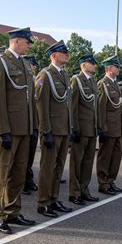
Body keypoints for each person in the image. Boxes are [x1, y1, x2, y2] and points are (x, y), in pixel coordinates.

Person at [0, 28, 37, 234]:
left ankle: (13, 210)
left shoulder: (25, 65)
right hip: (8, 129)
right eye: (27, 42)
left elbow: (29, 99)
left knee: (18, 172)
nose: (29, 46)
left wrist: (32, 126)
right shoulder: (0, 62)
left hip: (24, 128)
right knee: (1, 173)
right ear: (16, 41)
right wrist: (2, 129)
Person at [35, 40, 73, 218]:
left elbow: (67, 104)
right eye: (63, 52)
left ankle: (53, 198)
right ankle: (43, 202)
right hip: (52, 129)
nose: (67, 55)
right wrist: (45, 130)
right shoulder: (45, 75)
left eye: (66, 52)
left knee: (59, 167)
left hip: (64, 128)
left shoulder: (65, 75)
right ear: (54, 56)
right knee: (48, 167)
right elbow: (41, 105)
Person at [68, 54, 100, 205]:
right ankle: (74, 193)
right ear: (83, 65)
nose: (95, 66)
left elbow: (95, 107)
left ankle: (84, 189)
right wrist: (74, 127)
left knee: (87, 162)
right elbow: (72, 106)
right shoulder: (76, 80)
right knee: (76, 162)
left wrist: (98, 125)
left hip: (92, 128)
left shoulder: (93, 81)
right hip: (81, 128)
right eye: (92, 63)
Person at [96, 55, 122, 195]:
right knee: (105, 156)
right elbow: (101, 108)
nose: (119, 69)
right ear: (110, 68)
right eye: (117, 66)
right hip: (108, 127)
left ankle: (111, 180)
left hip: (118, 128)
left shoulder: (115, 84)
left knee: (116, 156)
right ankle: (103, 183)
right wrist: (102, 127)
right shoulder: (103, 84)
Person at [21, 54, 39, 195]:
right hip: (23, 123)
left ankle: (27, 180)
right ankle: (23, 182)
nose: (34, 67)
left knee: (29, 156)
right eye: (32, 64)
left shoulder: (32, 79)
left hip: (32, 123)